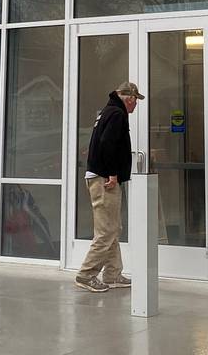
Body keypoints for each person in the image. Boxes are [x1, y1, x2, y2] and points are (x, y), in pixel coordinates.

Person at [75, 81, 144, 292]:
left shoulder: (108, 111)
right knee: (106, 231)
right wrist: (112, 173)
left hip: (100, 176)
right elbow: (107, 143)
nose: (136, 105)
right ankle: (86, 274)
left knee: (113, 228)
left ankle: (113, 274)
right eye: (136, 101)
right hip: (104, 179)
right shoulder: (117, 114)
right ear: (129, 98)